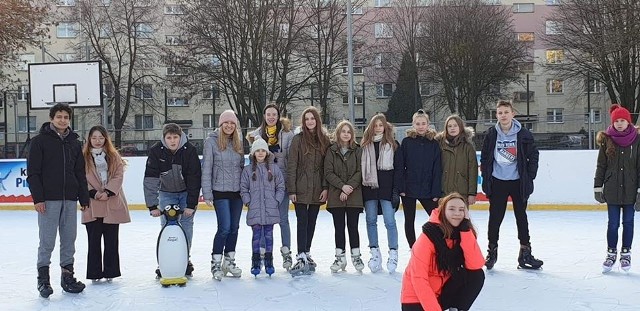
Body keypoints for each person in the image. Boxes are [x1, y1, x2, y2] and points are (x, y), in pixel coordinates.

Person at [27, 103, 89, 298]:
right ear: (52, 118)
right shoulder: (39, 142)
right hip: (48, 200)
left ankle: (67, 276)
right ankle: (43, 280)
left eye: (66, 117)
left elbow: (79, 171)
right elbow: (33, 173)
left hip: (70, 199)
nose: (63, 120)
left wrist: (83, 196)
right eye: (59, 116)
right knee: (47, 241)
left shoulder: (74, 142)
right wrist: (38, 198)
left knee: (69, 239)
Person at [481, 100, 542, 270]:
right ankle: (492, 251)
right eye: (500, 113)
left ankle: (525, 252)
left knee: (521, 217)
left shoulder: (523, 134)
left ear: (512, 114)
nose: (503, 115)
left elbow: (534, 155)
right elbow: (485, 158)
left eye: (506, 112)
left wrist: (529, 176)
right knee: (495, 218)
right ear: (496, 115)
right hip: (498, 181)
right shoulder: (491, 134)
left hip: (517, 182)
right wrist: (486, 178)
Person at [401, 192, 485, 311]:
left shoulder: (462, 233)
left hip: (441, 294)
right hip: (416, 298)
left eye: (461, 209)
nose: (457, 213)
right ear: (443, 211)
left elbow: (475, 265)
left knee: (476, 275)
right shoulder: (427, 237)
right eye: (452, 209)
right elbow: (419, 279)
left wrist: (465, 230)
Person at [143, 123, 202, 277]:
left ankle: (185, 259)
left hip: (186, 192)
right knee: (167, 226)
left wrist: (191, 204)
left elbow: (194, 178)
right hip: (166, 193)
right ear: (164, 138)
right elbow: (150, 179)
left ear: (181, 136)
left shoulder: (189, 151)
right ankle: (165, 260)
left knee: (187, 225)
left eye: (175, 137)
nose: (172, 140)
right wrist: (152, 206)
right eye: (169, 137)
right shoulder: (156, 151)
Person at [246, 103, 295, 270]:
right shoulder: (257, 135)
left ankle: (286, 252)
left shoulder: (287, 135)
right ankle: (261, 254)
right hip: (262, 185)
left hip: (281, 183)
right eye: (268, 114)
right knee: (261, 220)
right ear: (264, 116)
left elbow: (290, 159)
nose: (271, 117)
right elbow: (254, 159)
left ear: (278, 116)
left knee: (283, 219)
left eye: (274, 114)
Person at [594, 104, 640, 272]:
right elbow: (601, 166)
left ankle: (626, 254)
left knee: (628, 223)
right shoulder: (607, 141)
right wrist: (598, 187)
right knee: (613, 224)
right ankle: (611, 253)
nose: (620, 123)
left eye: (623, 120)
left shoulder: (637, 141)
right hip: (612, 189)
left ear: (629, 122)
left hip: (631, 189)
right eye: (617, 121)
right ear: (612, 122)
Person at [81, 125, 131, 282]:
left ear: (105, 139)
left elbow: (118, 175)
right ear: (89, 139)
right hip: (92, 203)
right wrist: (94, 193)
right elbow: (80, 178)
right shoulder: (82, 158)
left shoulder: (113, 156)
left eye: (100, 138)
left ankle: (111, 272)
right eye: (94, 137)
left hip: (111, 202)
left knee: (111, 241)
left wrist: (108, 192)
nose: (97, 141)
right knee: (93, 242)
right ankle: (95, 273)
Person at [202, 110, 246, 280]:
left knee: (234, 228)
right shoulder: (211, 142)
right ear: (220, 125)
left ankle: (229, 261)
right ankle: (216, 263)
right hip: (219, 192)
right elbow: (206, 168)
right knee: (224, 228)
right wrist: (207, 193)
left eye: (232, 123)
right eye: (226, 123)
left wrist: (245, 190)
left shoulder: (238, 142)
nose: (229, 125)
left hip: (237, 193)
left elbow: (242, 167)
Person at [287, 106, 330, 275]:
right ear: (303, 122)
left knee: (312, 221)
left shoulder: (324, 140)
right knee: (302, 221)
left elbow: (328, 166)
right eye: (307, 119)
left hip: (317, 187)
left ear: (317, 121)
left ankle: (307, 252)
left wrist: (325, 187)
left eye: (312, 118)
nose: (310, 121)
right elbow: (292, 165)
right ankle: (300, 255)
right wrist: (292, 189)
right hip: (301, 187)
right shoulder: (298, 140)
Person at [395, 109, 442, 248]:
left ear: (428, 124)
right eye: (418, 123)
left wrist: (436, 191)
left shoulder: (434, 144)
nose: (421, 126)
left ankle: (435, 245)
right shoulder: (407, 142)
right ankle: (413, 247)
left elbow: (437, 169)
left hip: (428, 188)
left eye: (423, 123)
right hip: (409, 188)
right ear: (413, 125)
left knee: (436, 220)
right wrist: (401, 187)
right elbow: (400, 166)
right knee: (409, 220)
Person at [360, 113, 400, 273]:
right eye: (375, 125)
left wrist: (396, 190)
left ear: (385, 127)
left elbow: (398, 170)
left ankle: (393, 252)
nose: (378, 128)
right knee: (370, 221)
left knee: (390, 222)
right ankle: (375, 253)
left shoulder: (393, 145)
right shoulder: (365, 145)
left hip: (387, 189)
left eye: (380, 125)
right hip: (369, 189)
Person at [240, 139, 286, 276]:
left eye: (263, 151)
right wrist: (248, 202)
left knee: (269, 235)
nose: (260, 153)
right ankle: (255, 261)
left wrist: (276, 201)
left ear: (267, 152)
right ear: (253, 153)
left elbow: (281, 187)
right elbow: (243, 188)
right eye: (257, 151)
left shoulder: (274, 169)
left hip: (270, 208)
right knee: (256, 236)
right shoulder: (248, 170)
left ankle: (269, 260)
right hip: (255, 209)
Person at [324, 120, 365, 273]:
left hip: (354, 196)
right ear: (338, 133)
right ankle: (340, 257)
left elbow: (360, 171)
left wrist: (349, 188)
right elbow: (328, 172)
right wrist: (342, 186)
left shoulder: (358, 150)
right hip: (336, 196)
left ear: (352, 134)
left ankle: (356, 255)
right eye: (343, 131)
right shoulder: (331, 151)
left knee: (353, 227)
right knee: (339, 228)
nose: (346, 134)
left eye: (349, 131)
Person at [435, 114, 478, 205]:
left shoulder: (468, 146)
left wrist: (472, 193)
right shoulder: (439, 145)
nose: (452, 128)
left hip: (462, 193)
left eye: (455, 125)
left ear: (460, 127)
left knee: (461, 218)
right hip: (443, 193)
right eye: (449, 126)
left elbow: (472, 170)